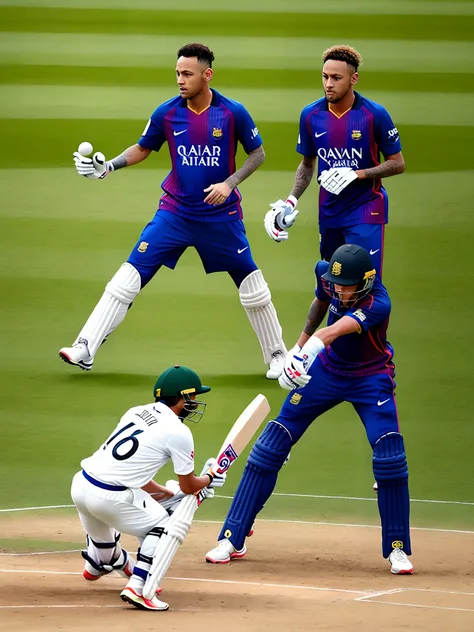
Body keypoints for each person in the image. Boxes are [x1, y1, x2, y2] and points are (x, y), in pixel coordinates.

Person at [60, 42, 287, 379]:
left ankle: (278, 356)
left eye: (187, 74)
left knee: (252, 284)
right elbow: (142, 148)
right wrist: (108, 166)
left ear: (207, 75)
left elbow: (258, 154)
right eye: (178, 73)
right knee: (129, 276)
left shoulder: (232, 112)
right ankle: (85, 347)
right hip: (175, 212)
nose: (180, 80)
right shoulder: (167, 112)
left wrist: (230, 183)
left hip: (220, 217)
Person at [205, 245, 413, 575]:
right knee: (271, 444)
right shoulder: (326, 275)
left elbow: (333, 331)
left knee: (389, 455)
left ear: (366, 282)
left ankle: (397, 549)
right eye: (336, 284)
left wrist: (307, 351)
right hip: (327, 372)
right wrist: (296, 348)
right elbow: (320, 304)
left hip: (370, 376)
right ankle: (232, 537)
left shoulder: (378, 303)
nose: (340, 292)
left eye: (348, 287)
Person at [71, 365, 227, 611]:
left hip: (81, 486)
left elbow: (128, 468)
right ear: (182, 397)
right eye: (194, 396)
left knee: (123, 529)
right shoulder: (179, 431)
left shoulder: (137, 411)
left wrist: (161, 492)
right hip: (110, 498)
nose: (196, 402)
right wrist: (209, 477)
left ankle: (103, 560)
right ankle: (138, 587)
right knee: (164, 525)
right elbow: (188, 486)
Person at [264, 45, 405, 277]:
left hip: (366, 208)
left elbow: (398, 163)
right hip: (329, 211)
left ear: (354, 79)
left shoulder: (374, 114)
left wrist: (357, 174)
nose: (329, 84)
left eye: (336, 78)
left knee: (366, 283)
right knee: (334, 283)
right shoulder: (310, 115)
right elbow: (307, 164)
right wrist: (290, 201)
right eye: (325, 77)